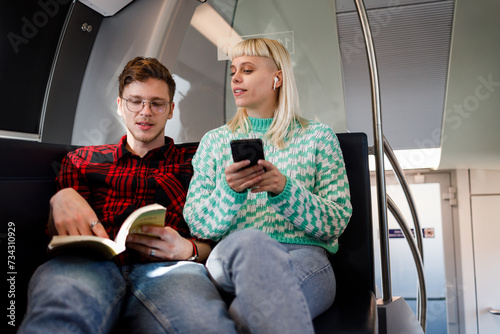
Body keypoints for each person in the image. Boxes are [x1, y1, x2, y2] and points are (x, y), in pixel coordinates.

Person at [18, 57, 237, 334]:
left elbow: (220, 235)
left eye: (157, 103)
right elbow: (56, 236)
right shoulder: (81, 160)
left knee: (200, 325)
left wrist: (190, 250)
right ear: (120, 105)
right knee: (60, 317)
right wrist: (60, 198)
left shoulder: (197, 159)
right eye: (135, 101)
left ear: (170, 110)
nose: (145, 112)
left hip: (172, 268)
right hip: (90, 265)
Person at [183, 38, 353, 334]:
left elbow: (335, 222)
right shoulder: (213, 142)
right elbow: (198, 224)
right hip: (233, 257)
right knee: (251, 243)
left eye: (247, 70)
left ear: (278, 77)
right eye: (234, 70)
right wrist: (231, 191)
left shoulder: (319, 138)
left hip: (303, 258)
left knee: (250, 317)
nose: (235, 77)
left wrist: (285, 190)